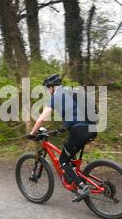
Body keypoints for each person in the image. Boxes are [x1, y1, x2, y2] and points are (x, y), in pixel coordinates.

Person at [29, 74, 97, 202]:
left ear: (51, 87)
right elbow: (76, 114)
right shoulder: (70, 92)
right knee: (70, 156)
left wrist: (32, 132)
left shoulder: (56, 97)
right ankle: (75, 179)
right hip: (92, 128)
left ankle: (81, 187)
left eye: (47, 89)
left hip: (80, 131)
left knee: (63, 160)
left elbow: (42, 118)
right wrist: (62, 128)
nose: (48, 92)